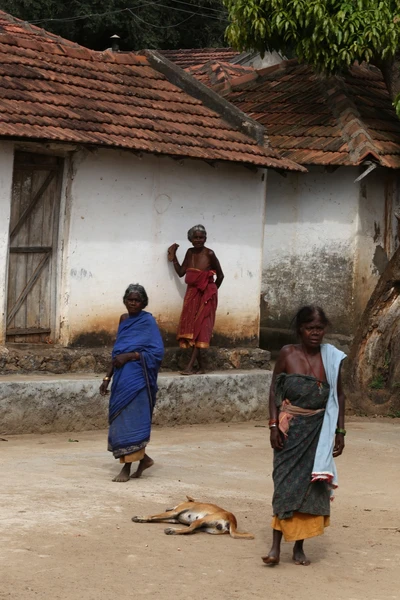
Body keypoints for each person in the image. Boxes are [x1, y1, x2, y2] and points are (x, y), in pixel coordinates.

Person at [262, 305, 346, 566]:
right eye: (310, 328)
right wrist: (274, 426)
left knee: (310, 489)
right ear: (301, 329)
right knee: (284, 485)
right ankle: (275, 546)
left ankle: (299, 547)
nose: (315, 333)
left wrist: (340, 431)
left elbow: (340, 395)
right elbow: (275, 392)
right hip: (289, 432)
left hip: (318, 432)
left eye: (320, 328)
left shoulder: (332, 358)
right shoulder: (288, 354)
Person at [99, 284, 164, 482]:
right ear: (125, 301)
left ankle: (126, 468)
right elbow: (117, 352)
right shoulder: (124, 320)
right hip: (120, 378)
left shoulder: (147, 321)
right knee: (120, 419)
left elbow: (157, 352)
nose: (133, 303)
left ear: (143, 302)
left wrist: (131, 356)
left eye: (137, 300)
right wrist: (107, 378)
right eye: (130, 300)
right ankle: (144, 459)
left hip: (138, 379)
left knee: (133, 421)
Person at [168, 224, 224, 375]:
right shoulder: (190, 253)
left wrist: (211, 291)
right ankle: (203, 366)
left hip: (206, 296)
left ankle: (190, 366)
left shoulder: (210, 254)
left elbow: (220, 275)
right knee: (192, 329)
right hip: (192, 295)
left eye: (201, 237)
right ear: (190, 239)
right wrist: (174, 258)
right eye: (196, 237)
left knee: (200, 328)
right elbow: (181, 272)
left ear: (205, 238)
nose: (199, 240)